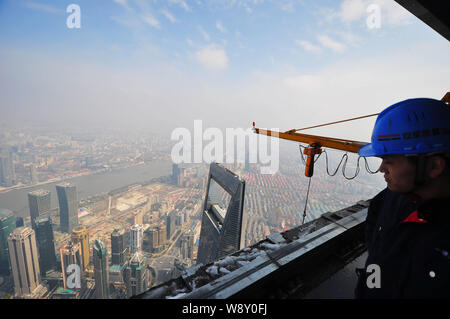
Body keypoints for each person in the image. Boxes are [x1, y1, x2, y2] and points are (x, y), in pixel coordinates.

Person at [354, 96, 450, 298]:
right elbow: (375, 251)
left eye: (389, 161)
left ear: (433, 166)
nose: (381, 169)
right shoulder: (389, 199)